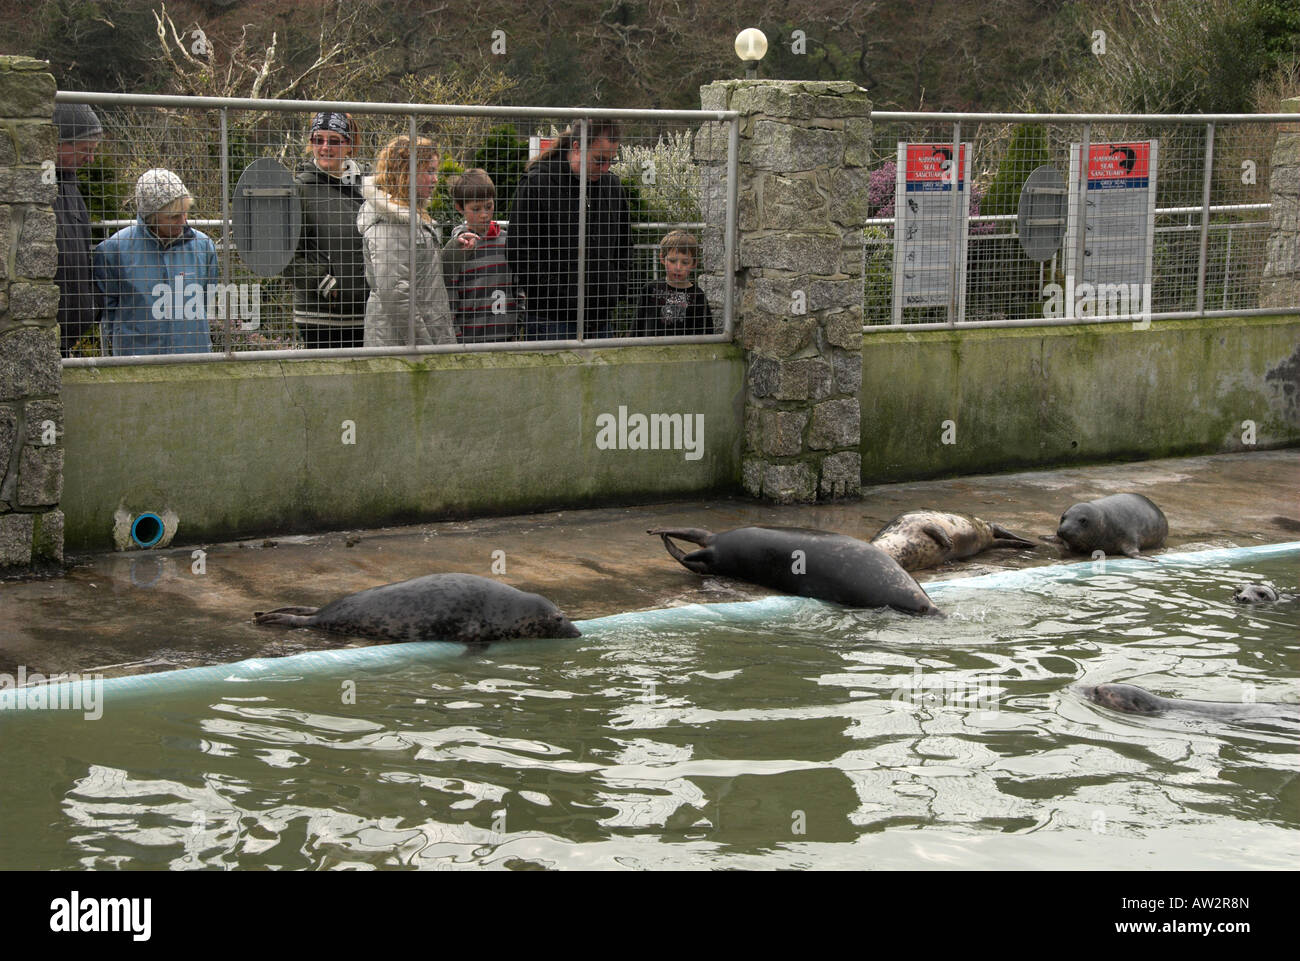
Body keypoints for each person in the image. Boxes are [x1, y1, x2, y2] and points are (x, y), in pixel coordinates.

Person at [506, 121, 632, 340]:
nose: (605, 169)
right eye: (598, 160)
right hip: (551, 320)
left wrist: (614, 288)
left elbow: (624, 246)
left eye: (610, 161)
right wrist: (556, 294)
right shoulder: (538, 184)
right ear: (576, 148)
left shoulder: (612, 187)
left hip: (600, 320)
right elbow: (519, 251)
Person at [93, 168, 216, 355]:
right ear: (151, 216)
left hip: (192, 357)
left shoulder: (203, 246)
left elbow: (207, 298)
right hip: (138, 361)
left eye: (185, 213)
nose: (183, 221)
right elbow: (107, 312)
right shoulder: (114, 250)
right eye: (174, 216)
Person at [357, 136, 460, 347]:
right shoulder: (389, 223)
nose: (435, 180)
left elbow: (427, 277)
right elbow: (396, 295)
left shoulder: (408, 215)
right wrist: (423, 347)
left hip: (416, 337)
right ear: (406, 173)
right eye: (429, 171)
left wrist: (457, 248)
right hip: (401, 346)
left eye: (435, 171)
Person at [286, 111, 368, 348]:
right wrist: (319, 281)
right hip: (319, 317)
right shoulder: (299, 190)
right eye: (317, 140)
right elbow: (283, 254)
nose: (324, 148)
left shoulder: (369, 188)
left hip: (366, 314)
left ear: (349, 145)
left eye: (334, 141)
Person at [441, 168, 519, 342]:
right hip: (470, 342)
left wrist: (518, 325)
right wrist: (456, 339)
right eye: (476, 209)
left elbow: (518, 286)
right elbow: (449, 298)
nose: (484, 214)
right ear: (460, 208)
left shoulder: (507, 242)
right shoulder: (458, 248)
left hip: (508, 340)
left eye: (489, 206)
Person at [53, 103, 103, 356]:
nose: (91, 159)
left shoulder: (69, 186)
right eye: (86, 150)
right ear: (60, 143)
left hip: (70, 332)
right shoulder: (35, 187)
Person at [635, 230, 714, 336]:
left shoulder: (698, 296)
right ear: (662, 258)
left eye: (685, 262)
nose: (678, 268)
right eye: (672, 261)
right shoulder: (650, 289)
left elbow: (706, 333)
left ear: (694, 263)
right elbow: (636, 327)